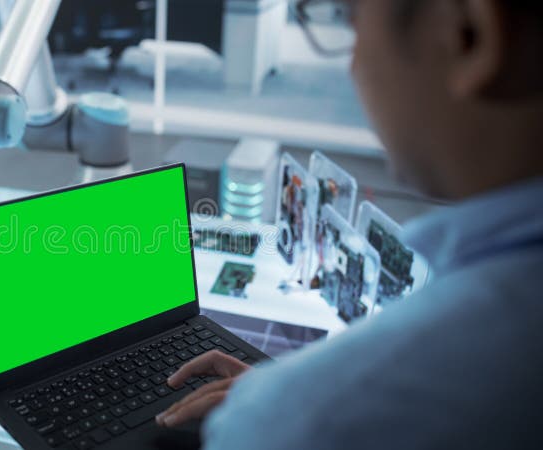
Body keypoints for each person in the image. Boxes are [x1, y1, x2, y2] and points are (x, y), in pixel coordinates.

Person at [156, 0, 543, 448]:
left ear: (470, 34)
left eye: (350, 21)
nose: (353, 66)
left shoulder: (293, 423)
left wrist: (290, 401)